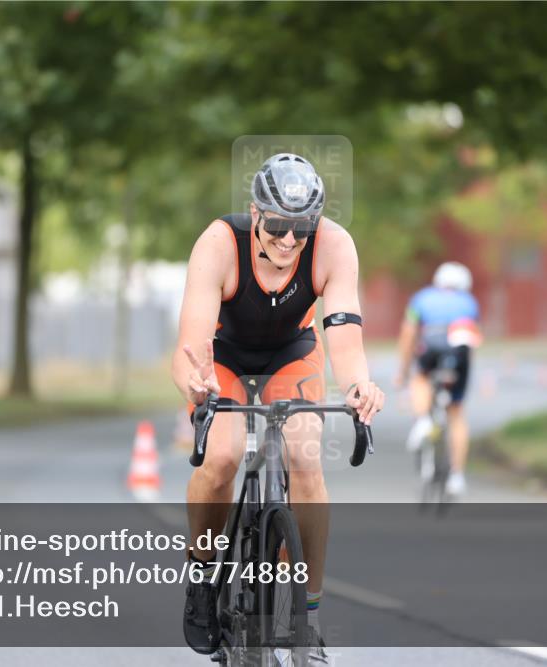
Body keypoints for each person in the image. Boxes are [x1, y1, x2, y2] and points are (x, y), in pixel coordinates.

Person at [172, 153, 385, 662]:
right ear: (255, 211)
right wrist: (198, 387)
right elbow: (190, 346)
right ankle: (202, 575)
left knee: (306, 458)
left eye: (302, 226)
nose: (289, 239)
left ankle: (306, 619)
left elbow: (345, 340)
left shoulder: (334, 247)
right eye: (278, 224)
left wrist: (359, 386)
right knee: (221, 457)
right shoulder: (219, 244)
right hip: (221, 356)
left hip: (293, 352)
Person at [394, 261, 480, 496]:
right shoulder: (470, 303)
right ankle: (457, 476)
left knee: (420, 378)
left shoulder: (421, 298)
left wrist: (403, 372)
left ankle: (423, 420)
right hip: (459, 351)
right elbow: (472, 340)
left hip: (431, 344)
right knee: (456, 413)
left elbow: (409, 333)